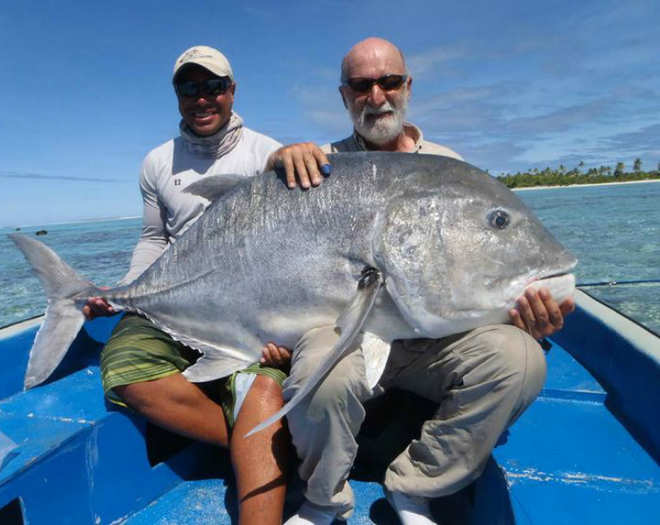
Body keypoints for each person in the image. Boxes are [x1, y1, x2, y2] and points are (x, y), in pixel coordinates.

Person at [272, 37, 576, 525]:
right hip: (350, 326)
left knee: (520, 361)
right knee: (319, 382)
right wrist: (276, 161)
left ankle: (415, 487)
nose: (377, 96)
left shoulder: (450, 167)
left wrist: (522, 314)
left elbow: (473, 259)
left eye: (389, 82)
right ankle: (323, 499)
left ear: (407, 86)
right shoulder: (318, 166)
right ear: (344, 96)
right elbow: (256, 226)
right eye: (361, 85)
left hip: (436, 336)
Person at [83, 45, 291, 525]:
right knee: (125, 368)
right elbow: (154, 238)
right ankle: (267, 441)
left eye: (213, 87)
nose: (202, 98)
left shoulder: (266, 152)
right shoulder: (157, 162)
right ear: (177, 95)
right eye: (189, 88)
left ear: (232, 91)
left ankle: (260, 437)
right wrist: (124, 290)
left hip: (250, 306)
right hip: (173, 299)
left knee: (259, 384)